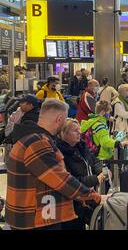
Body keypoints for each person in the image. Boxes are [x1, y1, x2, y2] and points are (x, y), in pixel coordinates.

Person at [5, 99, 103, 230]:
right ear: (59, 118)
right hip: (35, 218)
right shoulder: (38, 143)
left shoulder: (29, 138)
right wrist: (91, 195)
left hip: (30, 215)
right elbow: (59, 179)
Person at [57, 118, 104, 230]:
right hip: (71, 204)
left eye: (79, 130)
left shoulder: (81, 146)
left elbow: (94, 159)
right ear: (64, 133)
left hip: (86, 198)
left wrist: (100, 170)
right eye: (75, 130)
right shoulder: (60, 154)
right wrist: (95, 179)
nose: (79, 133)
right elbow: (71, 180)